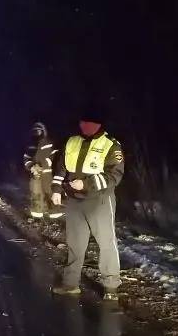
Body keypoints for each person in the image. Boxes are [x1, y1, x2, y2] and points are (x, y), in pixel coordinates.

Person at [50, 108, 124, 300]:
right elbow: (61, 168)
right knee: (75, 243)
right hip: (74, 201)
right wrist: (56, 189)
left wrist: (86, 184)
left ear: (98, 124)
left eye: (89, 123)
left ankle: (111, 287)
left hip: (99, 200)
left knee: (106, 243)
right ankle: (70, 284)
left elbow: (114, 175)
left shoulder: (111, 145)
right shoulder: (72, 141)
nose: (84, 126)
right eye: (82, 122)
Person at [23, 121, 61, 219]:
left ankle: (55, 214)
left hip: (48, 174)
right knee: (36, 193)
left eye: (39, 131)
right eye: (35, 131)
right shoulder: (31, 146)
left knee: (50, 192)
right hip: (36, 174)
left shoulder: (50, 143)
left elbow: (55, 157)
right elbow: (26, 158)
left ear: (43, 131)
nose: (37, 133)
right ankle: (37, 215)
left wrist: (46, 164)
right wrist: (31, 167)